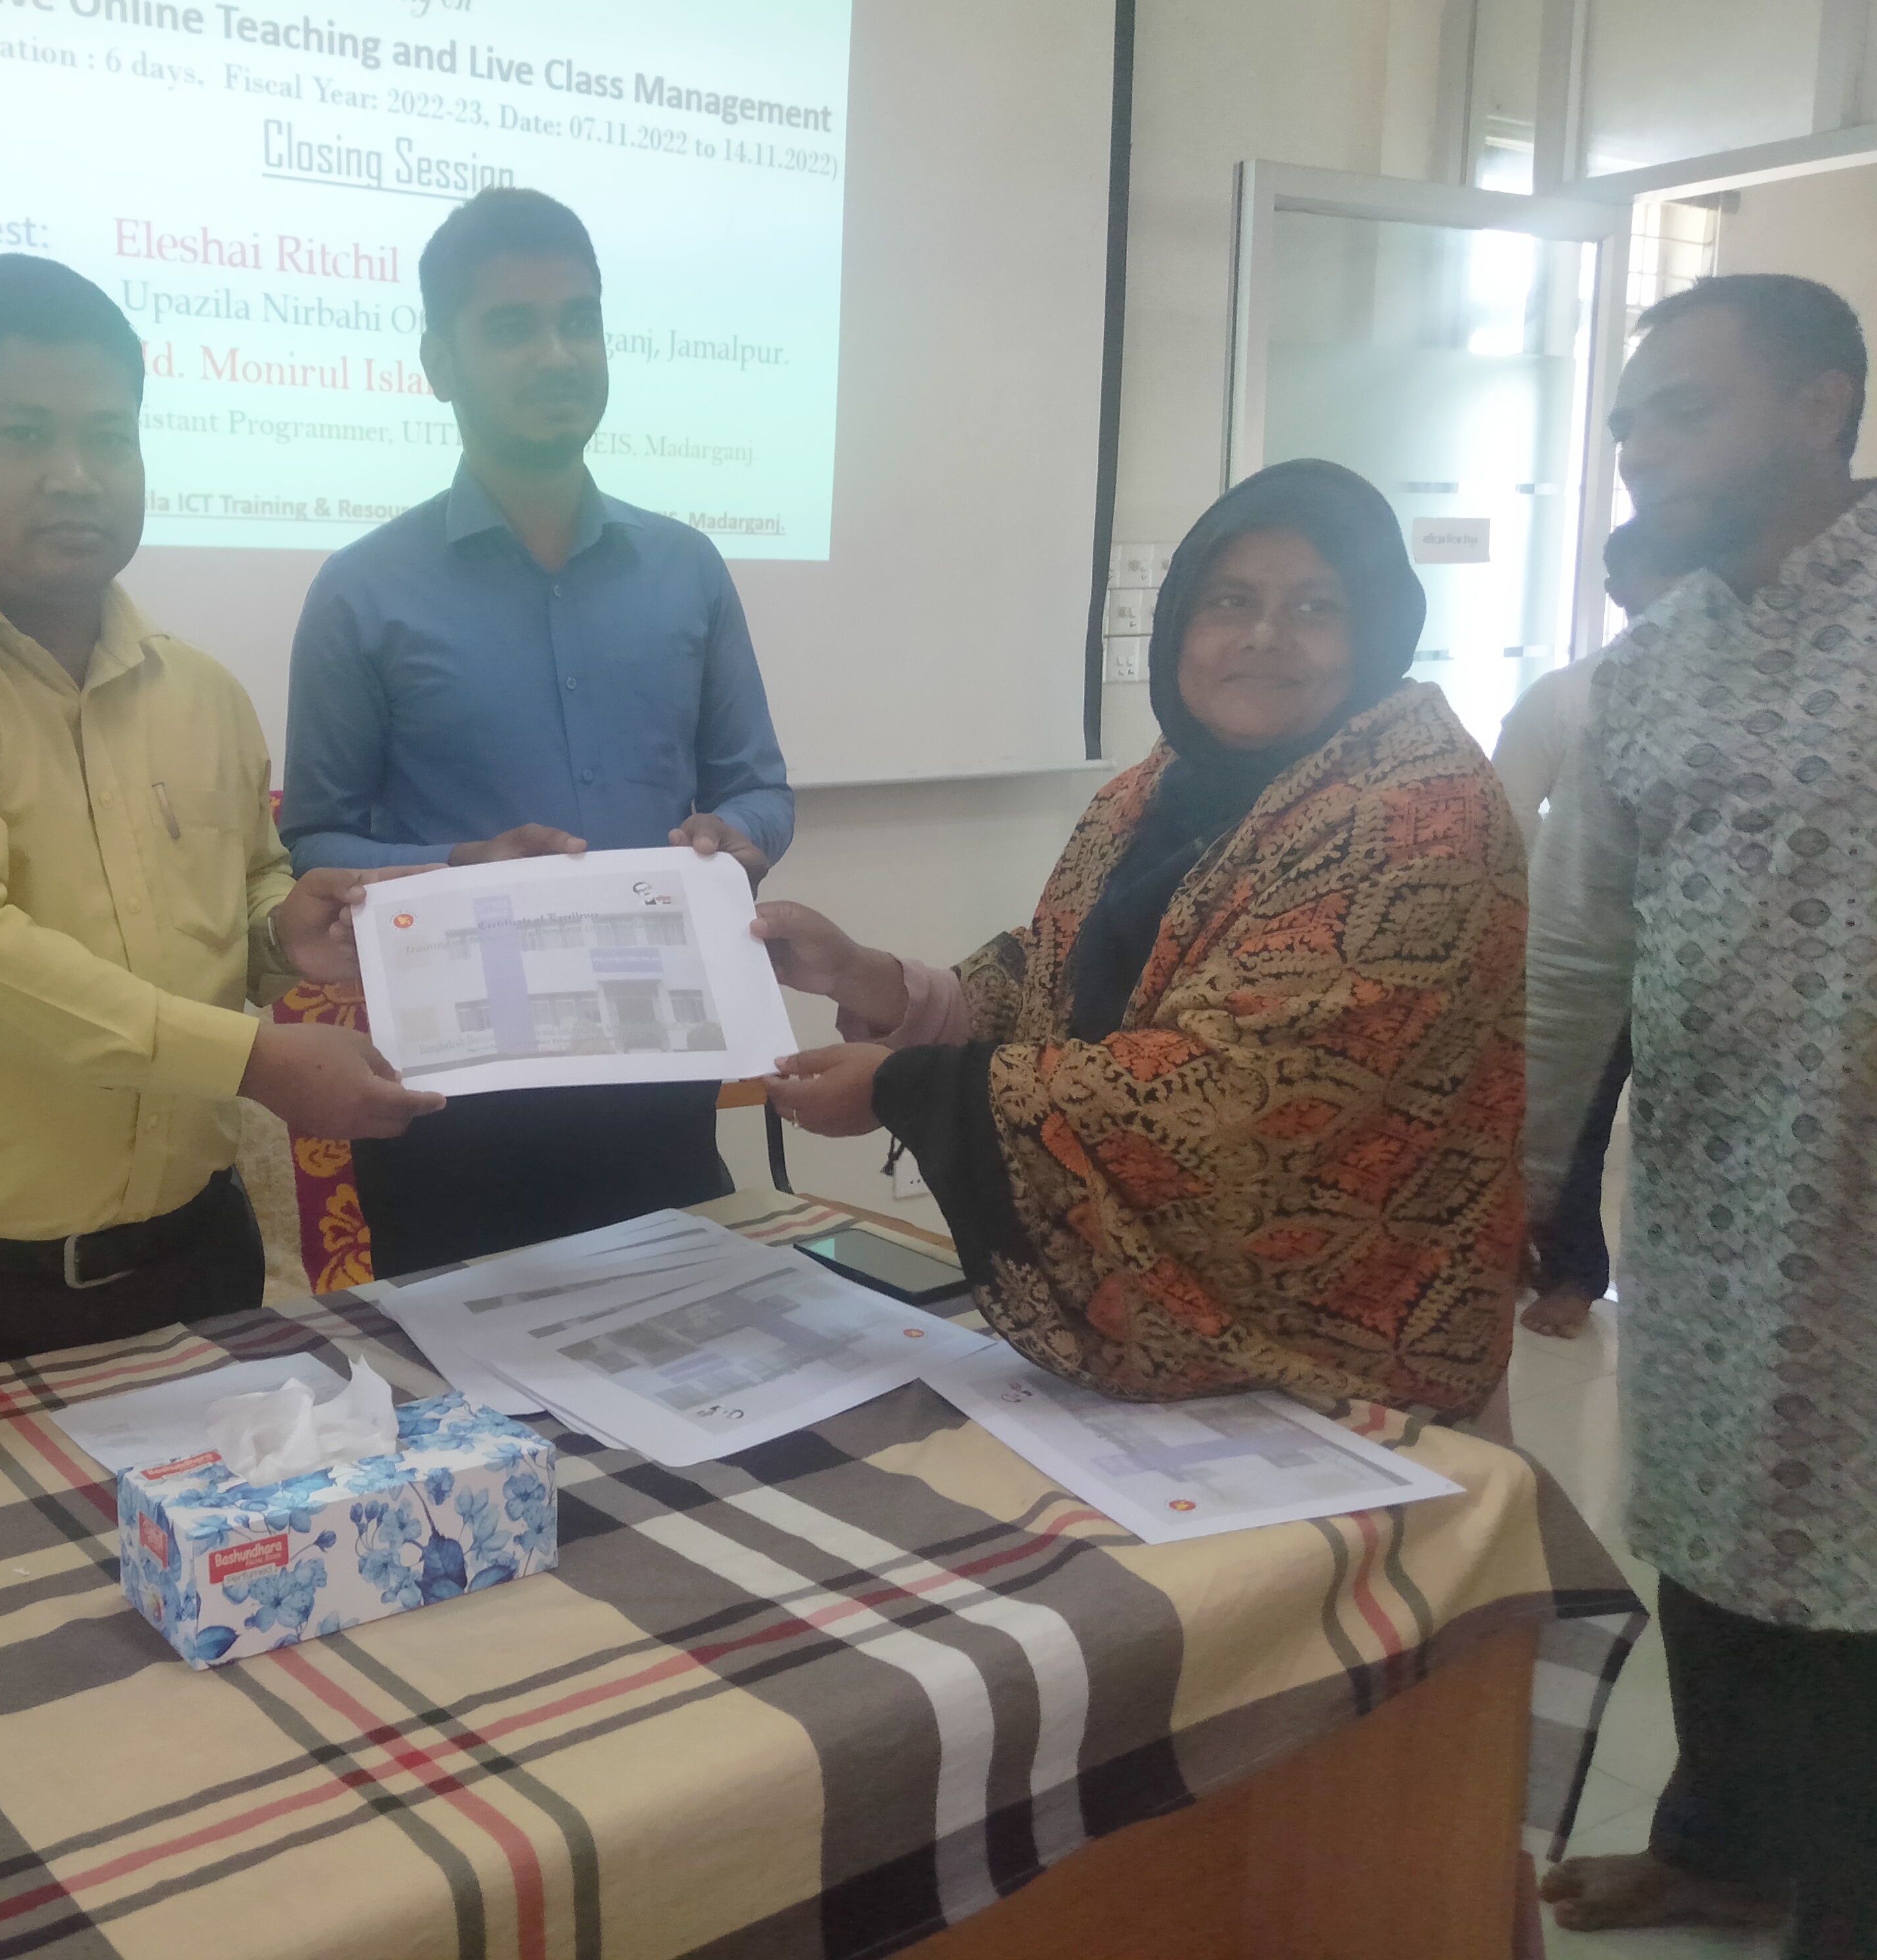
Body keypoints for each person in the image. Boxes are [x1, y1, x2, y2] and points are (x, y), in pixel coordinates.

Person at [0, 254, 441, 1402]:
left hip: (196, 1268)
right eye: (23, 434)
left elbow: (246, 890)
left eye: (109, 437)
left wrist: (285, 932)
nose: (75, 477)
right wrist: (254, 1060)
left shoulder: (202, 691)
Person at [759, 458, 1520, 1419]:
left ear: (1376, 628)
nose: (1264, 636)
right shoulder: (1160, 789)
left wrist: (904, 1087)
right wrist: (874, 981)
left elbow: (1235, 1095)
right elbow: (1061, 973)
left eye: (1316, 607)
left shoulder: (1420, 818)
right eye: (1229, 601)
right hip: (1166, 1361)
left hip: (1341, 1370)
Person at [1526, 274, 1877, 1954]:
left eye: (1681, 408)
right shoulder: (1646, 669)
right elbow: (1574, 956)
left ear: (1819, 406)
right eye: (1625, 423)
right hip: (1718, 1206)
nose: (1638, 450)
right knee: (1714, 1530)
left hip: (1865, 1219)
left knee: (1860, 1580)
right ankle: (1717, 1847)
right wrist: (1521, 1190)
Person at [280, 188, 794, 1274]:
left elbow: (758, 789)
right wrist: (457, 869)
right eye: (512, 327)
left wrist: (733, 838)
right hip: (453, 1113)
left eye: (579, 321)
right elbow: (319, 839)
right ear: (439, 362)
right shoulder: (362, 591)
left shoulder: (687, 569)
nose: (557, 354)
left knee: (691, 1356)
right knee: (463, 1374)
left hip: (662, 1081)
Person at [1498, 516, 1698, 1339]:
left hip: (1698, 968)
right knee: (1567, 1121)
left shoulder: (1744, 697)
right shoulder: (1571, 696)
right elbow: (1508, 817)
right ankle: (1566, 1269)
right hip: (1582, 951)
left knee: (1687, 1132)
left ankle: (1679, 1288)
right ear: (1617, 591)